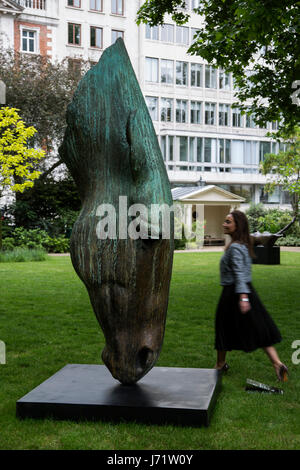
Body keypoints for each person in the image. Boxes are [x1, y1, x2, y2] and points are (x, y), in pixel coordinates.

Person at [214, 210, 288, 382]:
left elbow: (240, 273)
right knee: (258, 327)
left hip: (234, 293)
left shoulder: (235, 248)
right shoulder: (242, 244)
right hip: (245, 290)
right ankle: (277, 364)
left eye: (228, 222)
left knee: (223, 326)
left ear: (237, 226)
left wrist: (243, 298)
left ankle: (220, 364)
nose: (224, 224)